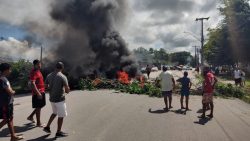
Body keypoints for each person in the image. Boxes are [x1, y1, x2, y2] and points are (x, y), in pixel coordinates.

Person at [43, 62, 70, 137]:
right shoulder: (63, 76)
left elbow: (45, 87)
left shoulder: (49, 75)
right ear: (62, 68)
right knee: (61, 116)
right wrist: (68, 90)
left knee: (54, 113)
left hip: (52, 99)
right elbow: (67, 90)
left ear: (55, 67)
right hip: (60, 100)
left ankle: (47, 127)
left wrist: (52, 87)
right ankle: (58, 132)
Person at [0, 63, 23, 141]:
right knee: (7, 119)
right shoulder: (2, 79)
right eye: (9, 69)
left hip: (8, 102)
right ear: (6, 70)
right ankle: (13, 136)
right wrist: (13, 91)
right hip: (5, 103)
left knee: (10, 118)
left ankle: (13, 136)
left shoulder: (4, 78)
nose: (10, 71)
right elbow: (9, 92)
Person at [27, 60, 46, 127]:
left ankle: (30, 117)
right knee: (38, 107)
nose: (40, 65)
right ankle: (38, 123)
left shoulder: (38, 71)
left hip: (41, 91)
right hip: (38, 92)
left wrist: (44, 86)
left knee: (40, 106)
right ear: (35, 65)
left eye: (40, 64)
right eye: (38, 64)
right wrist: (38, 93)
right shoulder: (34, 72)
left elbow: (39, 82)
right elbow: (32, 83)